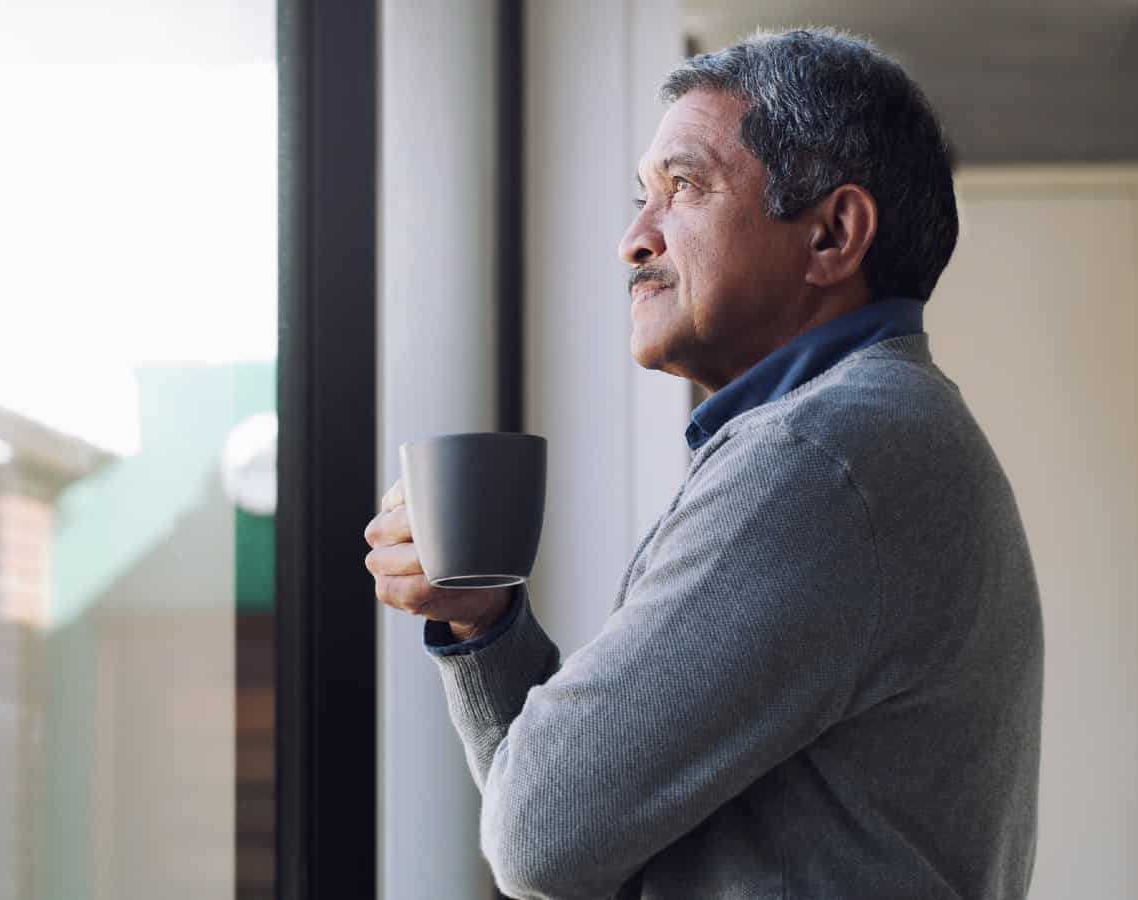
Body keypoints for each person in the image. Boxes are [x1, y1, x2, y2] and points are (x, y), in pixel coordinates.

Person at [364, 27, 1042, 900]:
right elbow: (558, 825)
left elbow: (539, 837)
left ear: (833, 234)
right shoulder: (884, 431)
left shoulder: (820, 458)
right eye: (641, 196)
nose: (633, 240)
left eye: (682, 188)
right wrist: (481, 624)